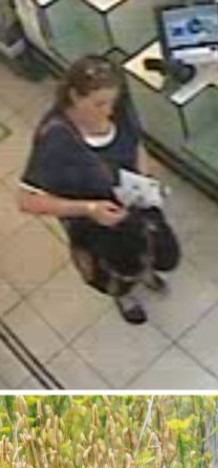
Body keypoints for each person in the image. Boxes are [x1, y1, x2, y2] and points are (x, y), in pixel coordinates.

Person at [15, 54, 178, 325]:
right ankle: (124, 295)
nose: (109, 111)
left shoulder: (118, 105)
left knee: (158, 251)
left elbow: (136, 142)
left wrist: (144, 180)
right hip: (94, 223)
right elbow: (27, 200)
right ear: (74, 97)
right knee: (115, 268)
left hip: (131, 202)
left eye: (112, 102)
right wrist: (88, 209)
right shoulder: (56, 138)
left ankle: (145, 271)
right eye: (99, 104)